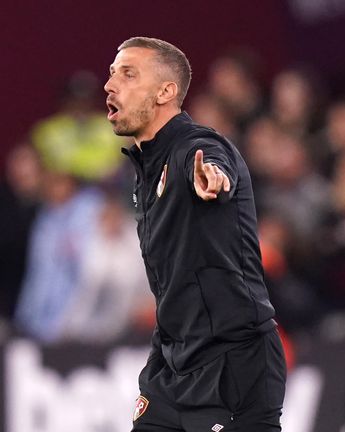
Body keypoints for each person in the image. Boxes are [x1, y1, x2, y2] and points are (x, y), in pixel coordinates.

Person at [104, 37, 286, 431]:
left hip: (233, 363)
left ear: (165, 91)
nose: (110, 84)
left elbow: (209, 163)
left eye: (128, 73)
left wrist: (212, 178)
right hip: (172, 363)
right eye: (112, 73)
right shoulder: (144, 171)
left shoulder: (197, 146)